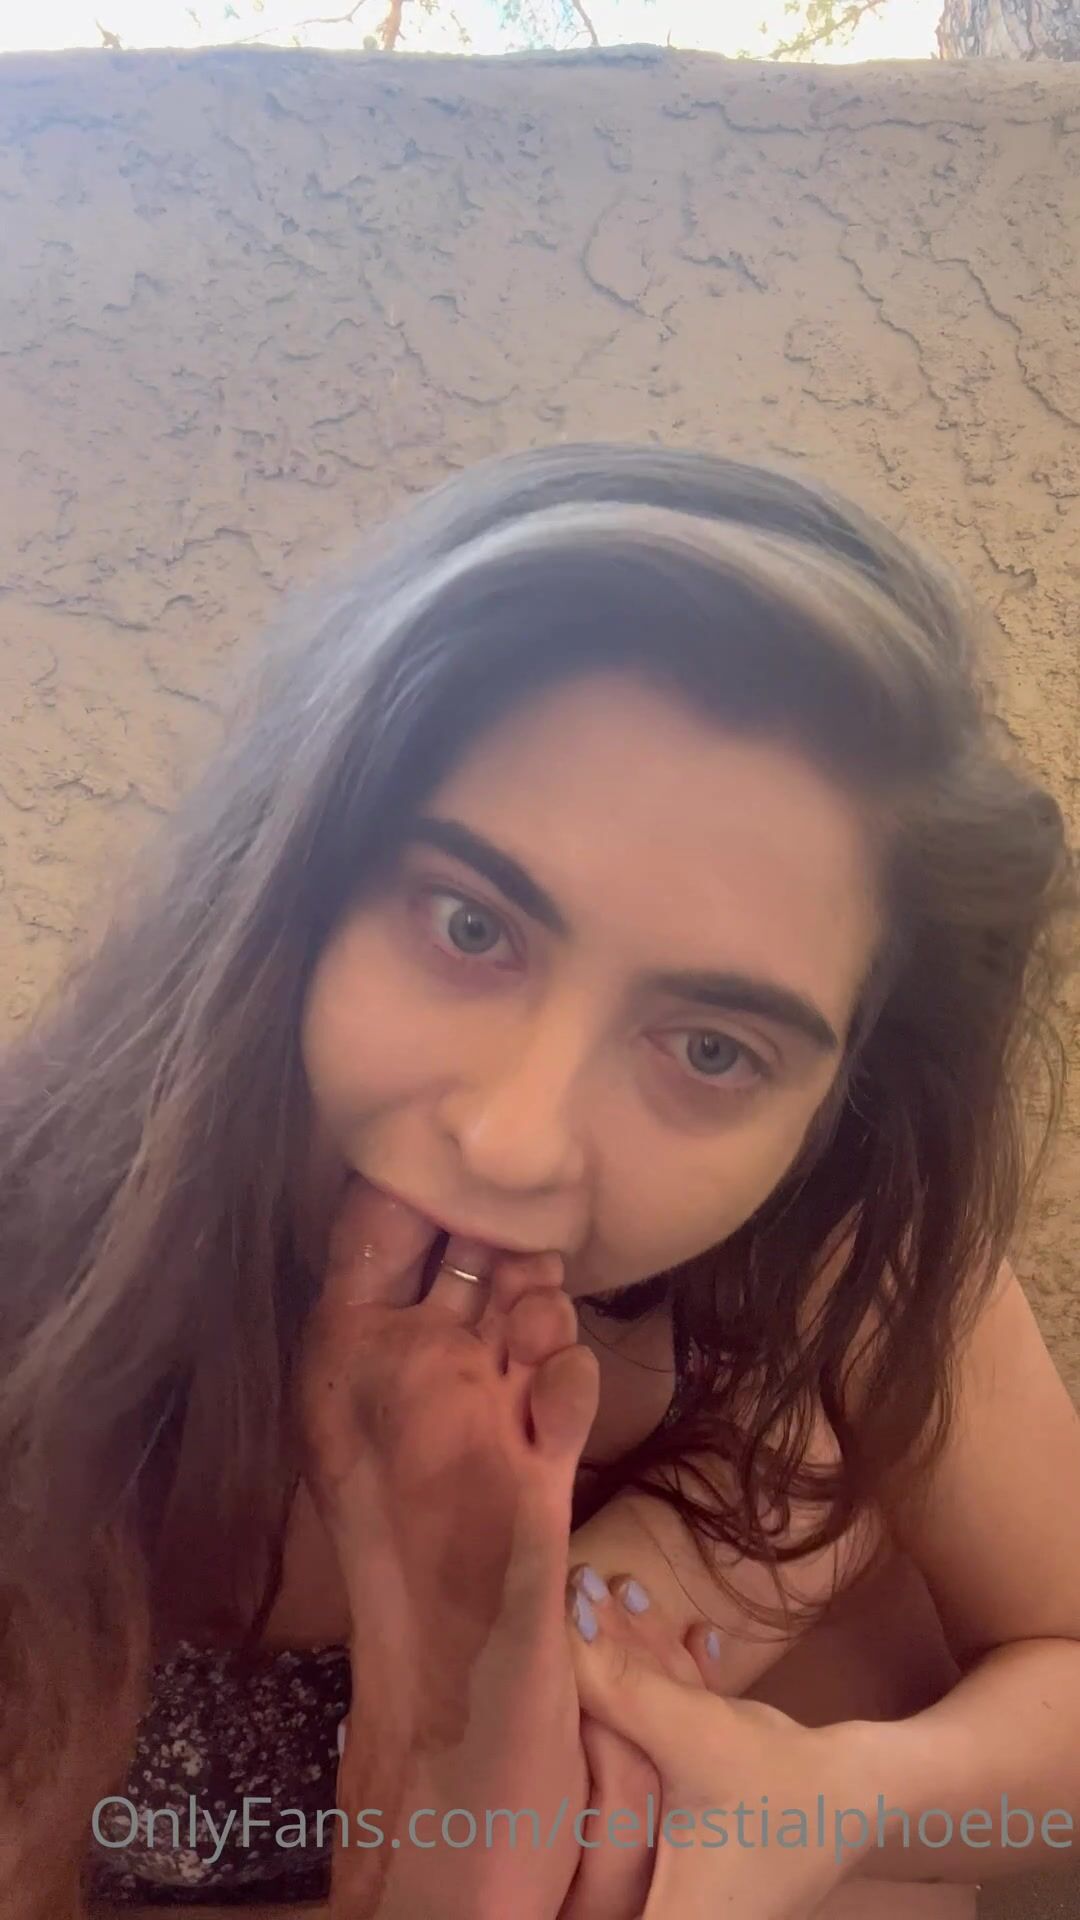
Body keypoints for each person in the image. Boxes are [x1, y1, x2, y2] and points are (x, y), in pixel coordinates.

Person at [1, 443, 1077, 1920]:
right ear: (296, 874)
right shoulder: (38, 1267)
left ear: (848, 1095)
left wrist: (838, 1800)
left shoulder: (844, 1273)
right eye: (469, 924)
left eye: (711, 1048)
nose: (514, 1138)